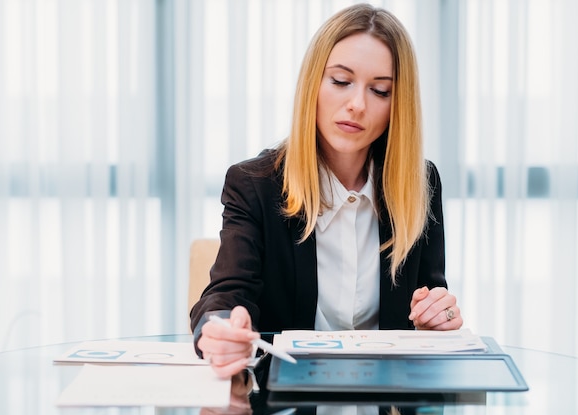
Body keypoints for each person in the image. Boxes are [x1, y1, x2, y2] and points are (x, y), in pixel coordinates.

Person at [190, 3, 463, 379]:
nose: (357, 105)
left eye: (380, 91)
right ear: (313, 85)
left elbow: (430, 300)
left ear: (397, 105)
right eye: (340, 81)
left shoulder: (420, 183)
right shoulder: (254, 185)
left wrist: (438, 316)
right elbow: (226, 294)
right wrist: (217, 328)